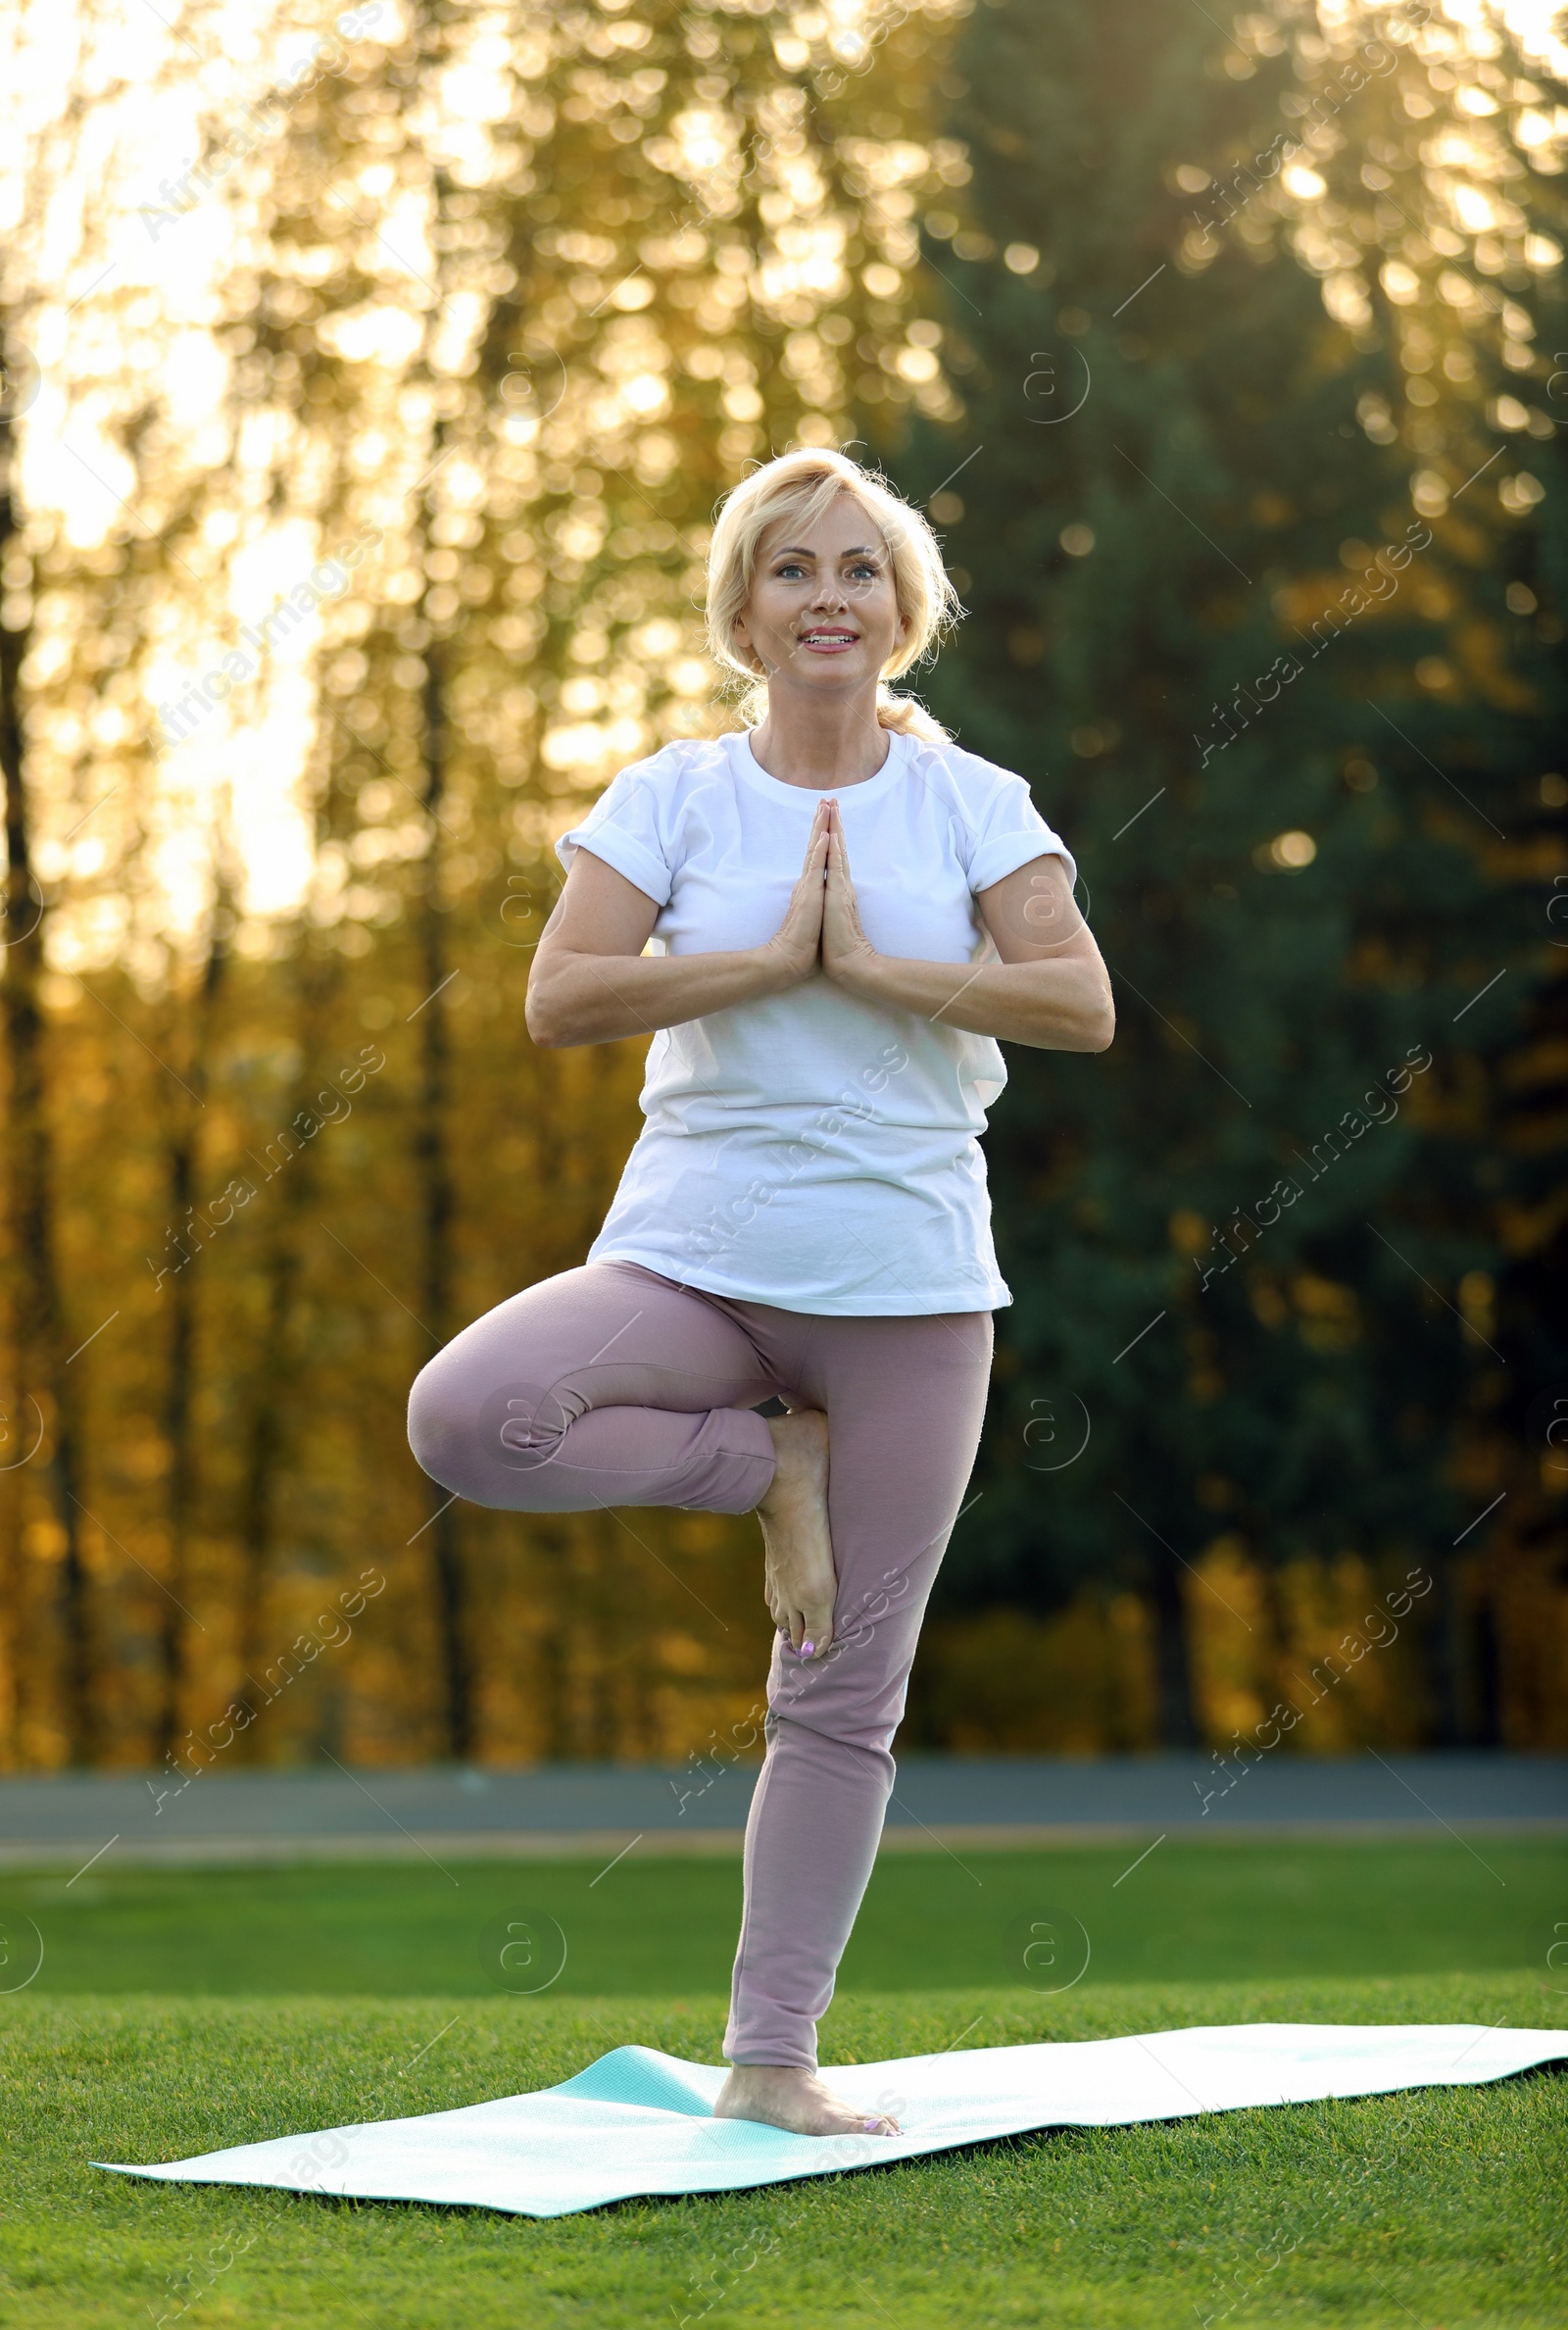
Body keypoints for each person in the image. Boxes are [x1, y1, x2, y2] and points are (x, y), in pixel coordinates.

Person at [407, 445, 1114, 2137]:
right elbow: (564, 995)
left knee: (840, 1692)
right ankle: (758, 1462)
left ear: (904, 612)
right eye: (792, 569)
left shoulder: (973, 804)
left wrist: (880, 968)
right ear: (741, 613)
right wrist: (766, 961)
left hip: (908, 1295)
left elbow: (1079, 1002)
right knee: (474, 1415)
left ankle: (772, 2060)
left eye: (860, 570)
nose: (828, 597)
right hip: (696, 1263)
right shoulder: (669, 795)